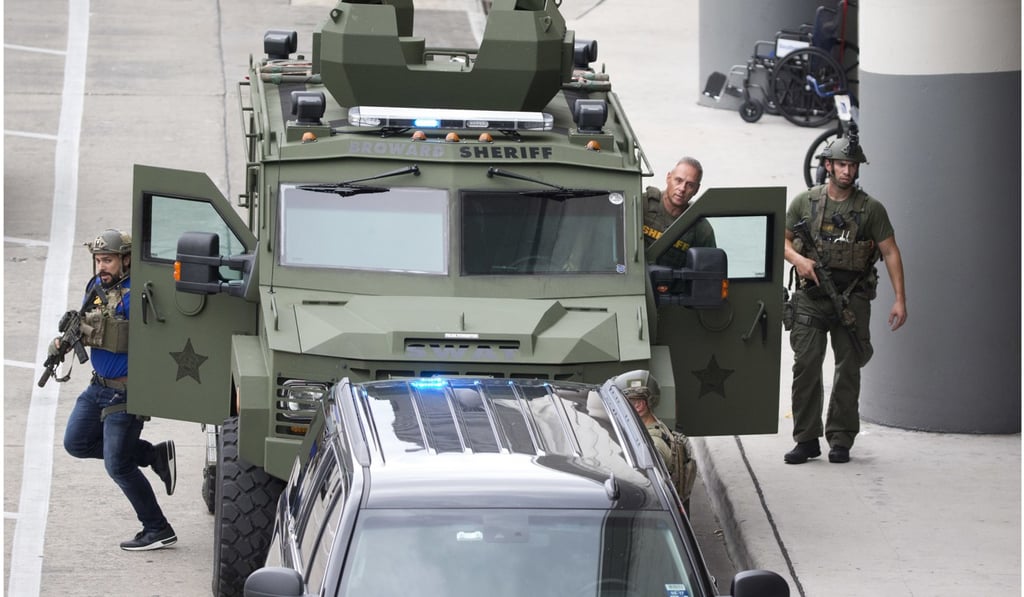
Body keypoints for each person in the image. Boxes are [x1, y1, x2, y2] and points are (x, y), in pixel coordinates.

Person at [783, 137, 907, 465]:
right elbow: (781, 240)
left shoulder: (870, 209)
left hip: (852, 299)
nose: (847, 171)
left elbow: (890, 251)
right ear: (828, 165)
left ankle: (840, 438)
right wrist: (798, 260)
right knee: (806, 366)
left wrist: (900, 299)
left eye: (852, 166)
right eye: (841, 164)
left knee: (849, 369)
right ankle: (806, 439)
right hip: (810, 297)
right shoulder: (805, 202)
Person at [59, 229, 178, 550]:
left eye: (108, 260)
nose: (102, 266)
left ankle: (158, 528)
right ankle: (151, 454)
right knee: (76, 442)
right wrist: (64, 341)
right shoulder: (96, 287)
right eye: (99, 260)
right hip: (97, 387)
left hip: (127, 391)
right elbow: (86, 322)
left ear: (126, 260)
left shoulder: (141, 293)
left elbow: (156, 334)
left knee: (118, 465)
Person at [642, 157, 716, 267]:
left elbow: (710, 269)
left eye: (690, 185)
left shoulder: (700, 228)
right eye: (678, 180)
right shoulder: (642, 204)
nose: (682, 189)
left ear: (696, 190)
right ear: (668, 178)